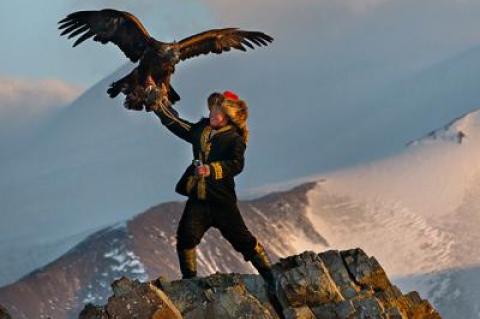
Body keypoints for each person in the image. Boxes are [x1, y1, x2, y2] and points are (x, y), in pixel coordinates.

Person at [145, 87, 276, 292]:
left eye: (218, 112)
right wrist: (158, 108)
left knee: (243, 241)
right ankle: (190, 283)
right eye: (212, 111)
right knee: (186, 238)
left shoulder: (235, 139)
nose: (213, 115)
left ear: (228, 117)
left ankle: (271, 277)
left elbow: (237, 165)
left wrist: (211, 169)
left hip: (222, 201)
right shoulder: (202, 130)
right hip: (198, 199)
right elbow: (180, 126)